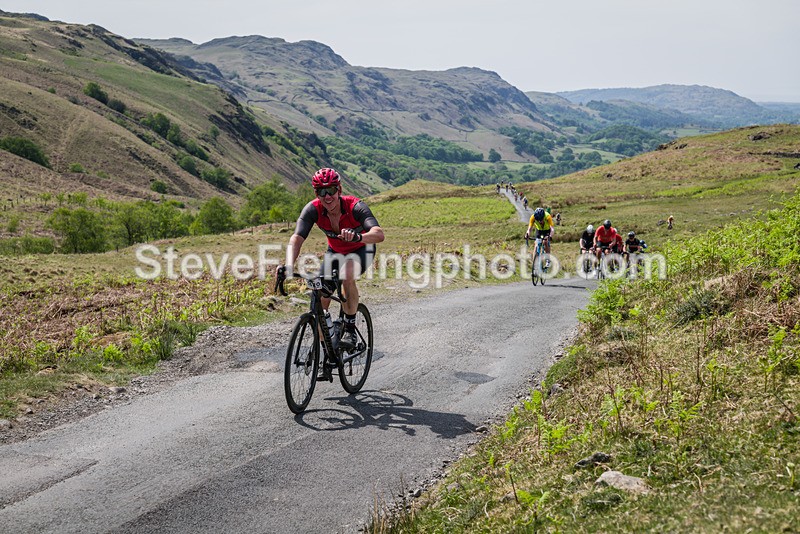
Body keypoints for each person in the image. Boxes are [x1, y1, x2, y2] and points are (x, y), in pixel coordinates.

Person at [285, 168, 385, 349]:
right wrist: (288, 265)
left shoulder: (355, 206)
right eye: (321, 192)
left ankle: (350, 328)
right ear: (316, 193)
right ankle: (327, 350)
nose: (327, 196)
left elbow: (378, 234)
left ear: (339, 189)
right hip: (335, 252)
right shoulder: (312, 209)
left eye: (331, 190)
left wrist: (358, 237)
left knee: (347, 275)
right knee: (320, 298)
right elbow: (297, 238)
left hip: (362, 249)